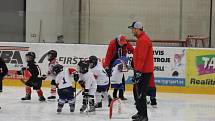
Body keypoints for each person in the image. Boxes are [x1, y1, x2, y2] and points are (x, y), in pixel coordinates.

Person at [128, 21, 154, 121]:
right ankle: (140, 112)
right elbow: (138, 56)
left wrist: (138, 71)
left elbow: (142, 58)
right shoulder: (141, 39)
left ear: (137, 29)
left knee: (140, 93)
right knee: (136, 91)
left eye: (133, 29)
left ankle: (144, 116)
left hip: (144, 71)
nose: (132, 31)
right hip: (141, 70)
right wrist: (133, 64)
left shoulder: (142, 40)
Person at [103, 35, 134, 100]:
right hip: (112, 61)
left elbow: (132, 50)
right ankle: (104, 93)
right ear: (118, 41)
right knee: (108, 79)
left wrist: (137, 55)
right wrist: (106, 66)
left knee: (121, 78)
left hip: (121, 62)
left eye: (123, 43)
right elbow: (108, 55)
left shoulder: (126, 43)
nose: (122, 44)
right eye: (121, 43)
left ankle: (120, 95)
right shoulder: (112, 43)